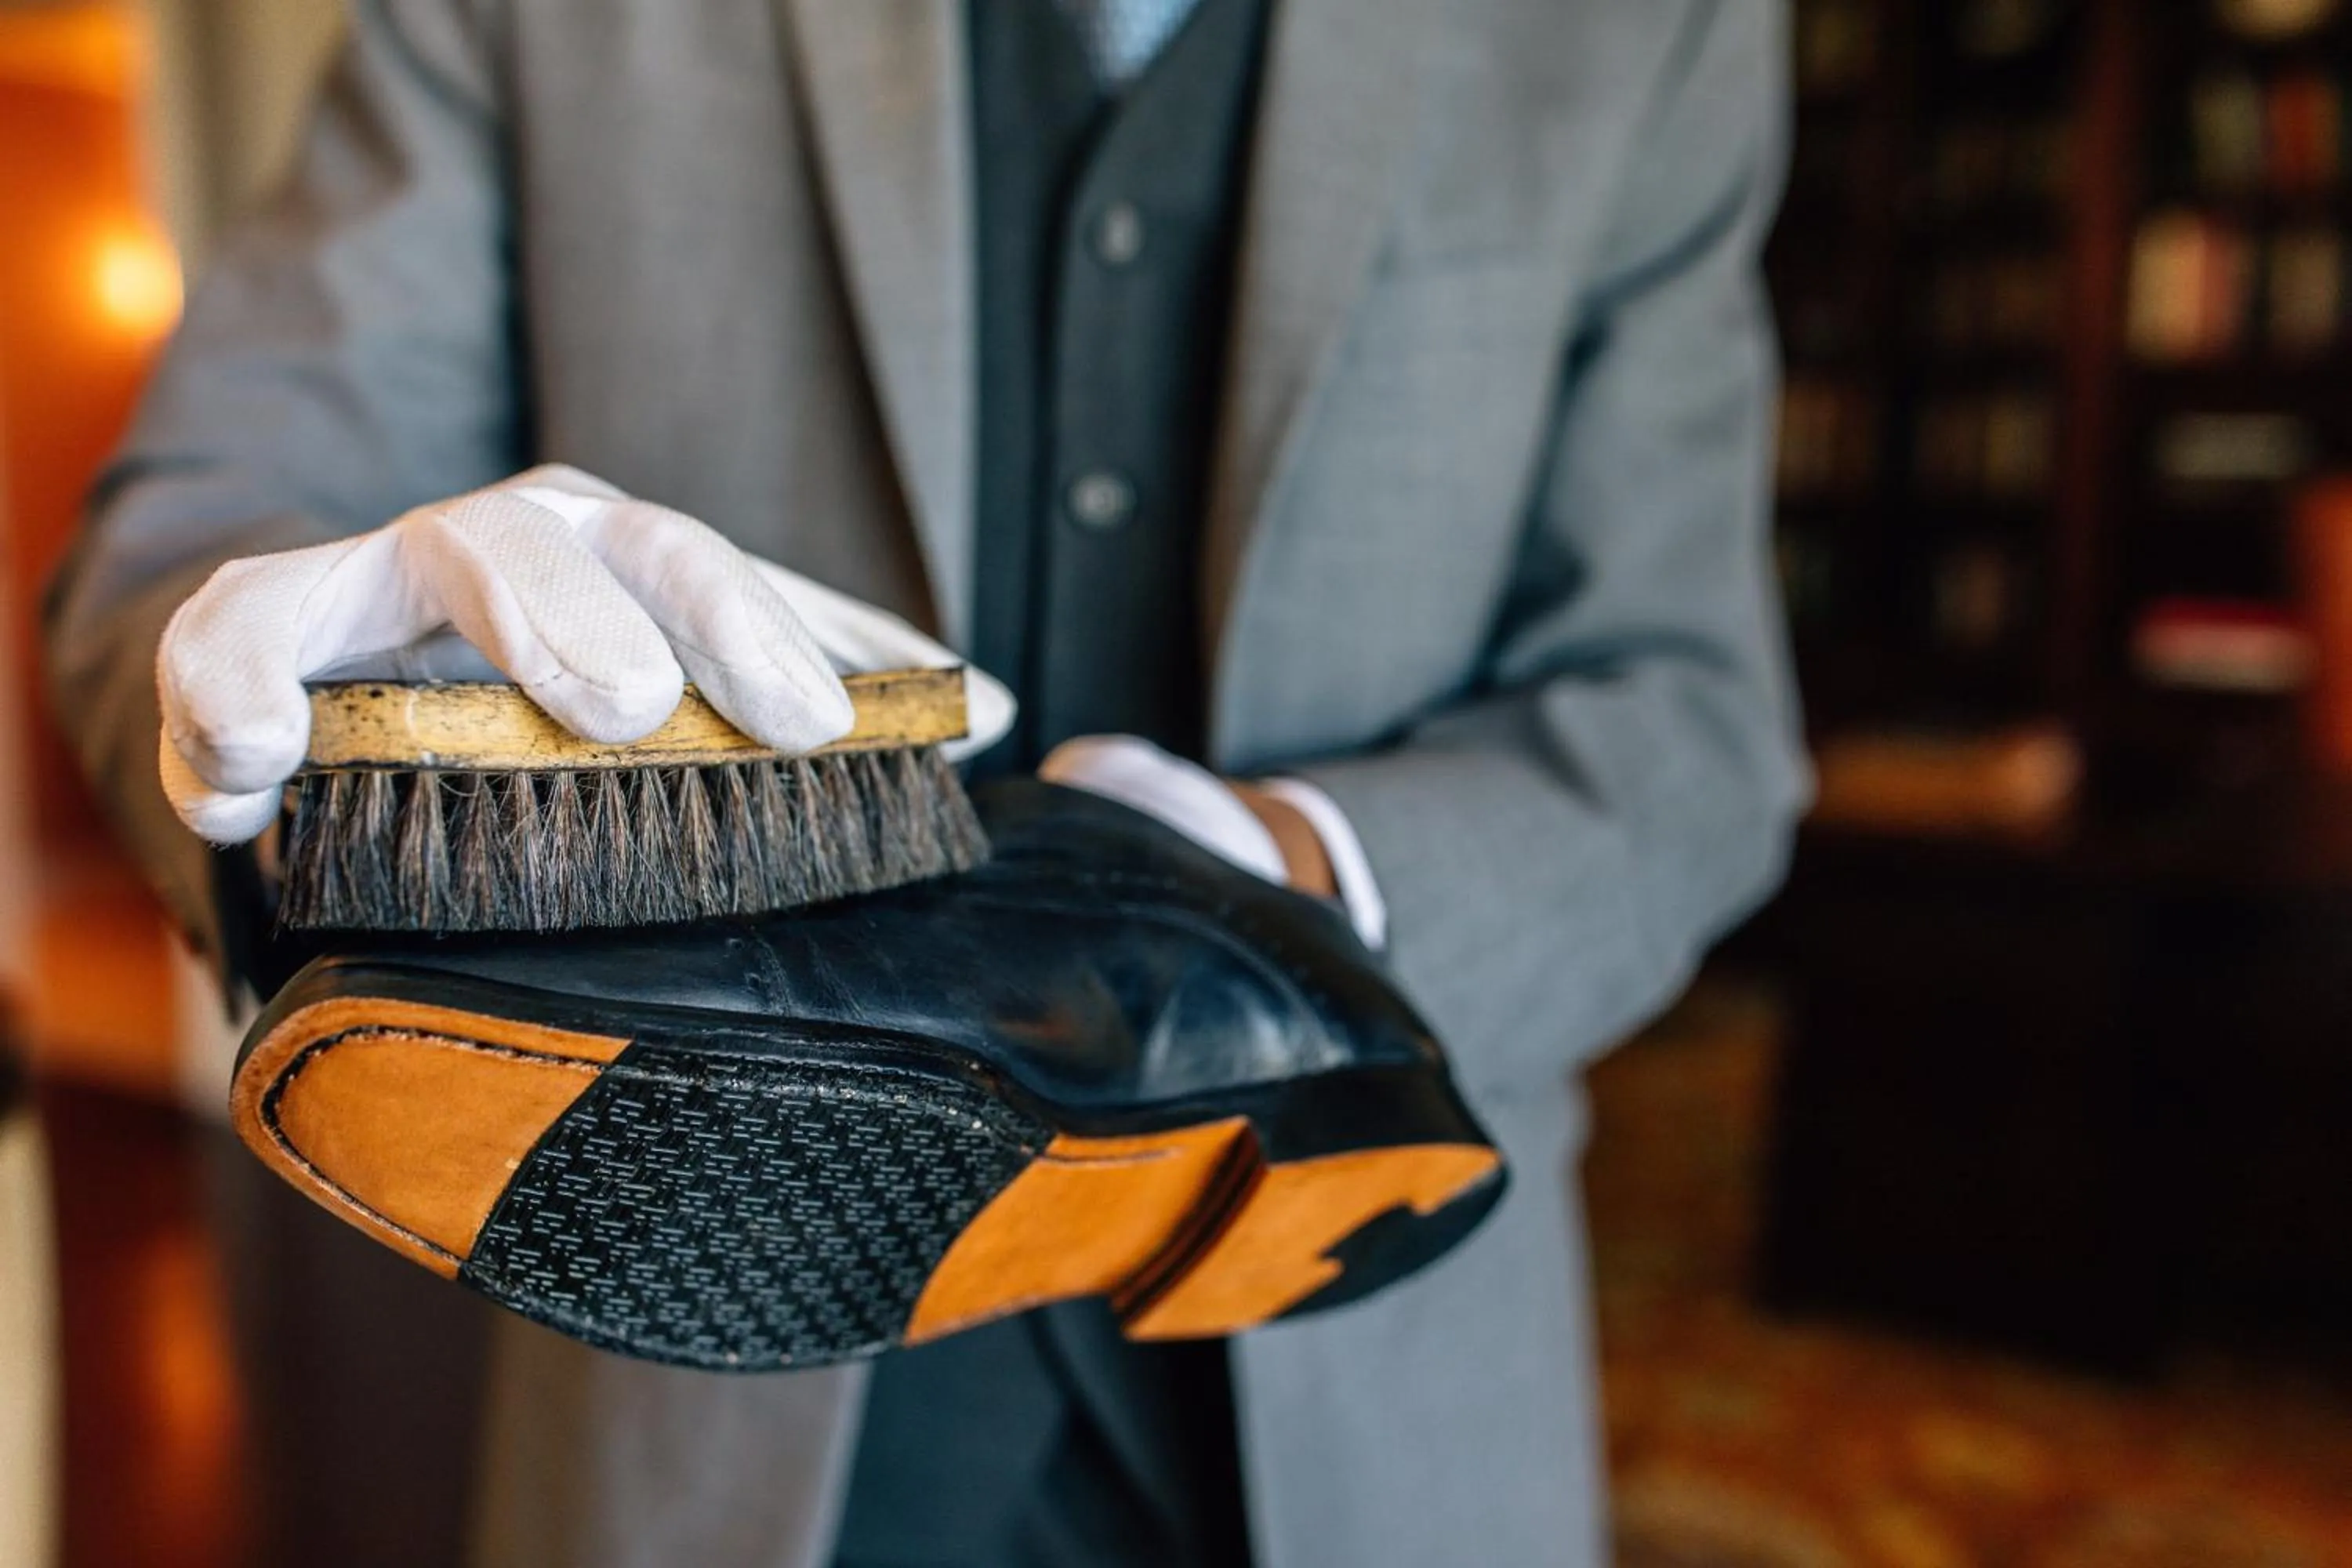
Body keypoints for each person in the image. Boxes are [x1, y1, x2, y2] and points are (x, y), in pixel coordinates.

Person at [44, 0, 1809, 1564]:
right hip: (699, 1421)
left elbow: (1691, 713)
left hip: (1377, 1400)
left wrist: (1274, 883)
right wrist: (323, 677)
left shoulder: (1643, 24)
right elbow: (200, 520)